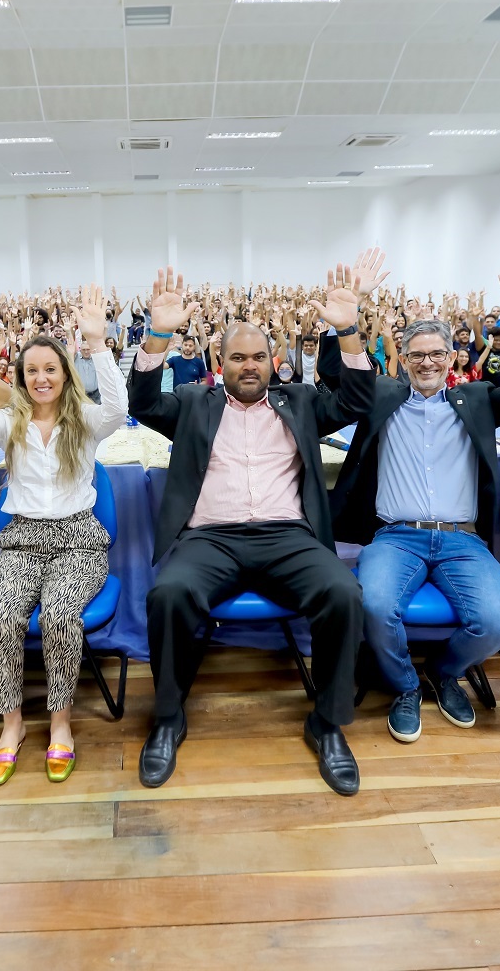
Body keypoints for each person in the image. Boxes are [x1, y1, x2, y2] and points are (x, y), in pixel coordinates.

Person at [130, 261, 376, 796]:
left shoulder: (303, 403)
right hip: (210, 539)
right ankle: (168, 717)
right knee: (168, 595)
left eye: (258, 357)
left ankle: (328, 724)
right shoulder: (195, 403)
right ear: (220, 363)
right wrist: (158, 335)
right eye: (237, 357)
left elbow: (358, 400)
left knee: (343, 593)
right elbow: (143, 403)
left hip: (286, 537)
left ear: (276, 362)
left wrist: (348, 330)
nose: (248, 365)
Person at [329, 244, 500, 743]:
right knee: (373, 607)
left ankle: (442, 672)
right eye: (415, 355)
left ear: (451, 358)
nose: (425, 363)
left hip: (463, 540)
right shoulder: (381, 397)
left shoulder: (478, 399)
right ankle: (402, 686)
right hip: (396, 537)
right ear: (402, 358)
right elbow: (339, 379)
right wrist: (348, 319)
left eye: (436, 354)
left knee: (498, 624)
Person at [0, 286, 127, 785]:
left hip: (79, 541)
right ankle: (13, 725)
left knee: (62, 615)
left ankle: (60, 723)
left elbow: (116, 408)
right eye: (32, 371)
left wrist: (99, 345)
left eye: (50, 369)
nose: (41, 378)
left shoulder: (85, 421)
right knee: (0, 618)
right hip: (22, 540)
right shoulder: (9, 423)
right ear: (21, 379)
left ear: (65, 374)